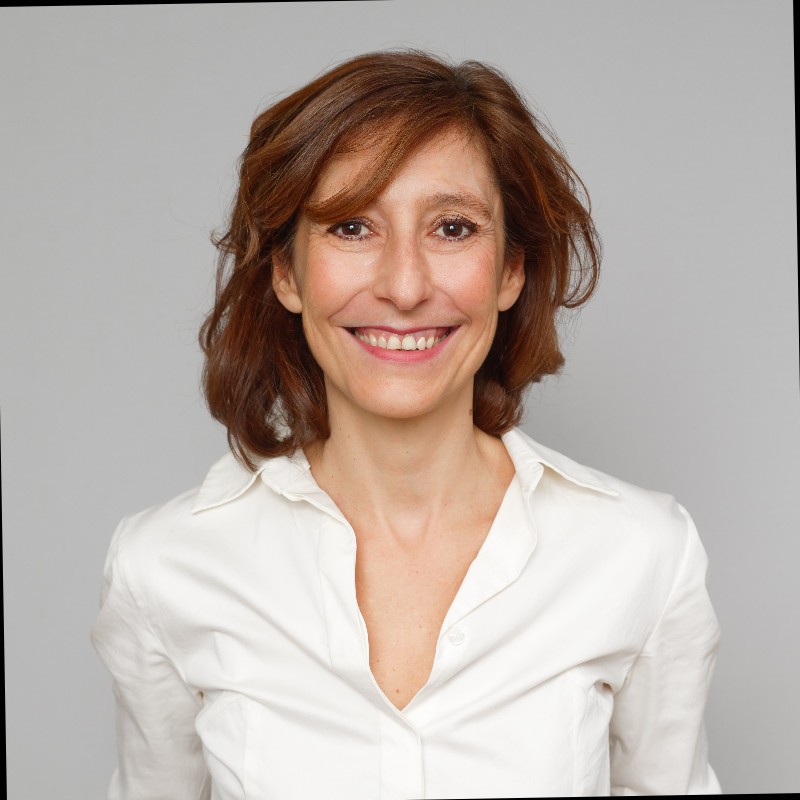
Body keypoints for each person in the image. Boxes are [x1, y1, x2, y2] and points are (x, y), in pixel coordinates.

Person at [91, 50, 721, 798]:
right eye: (352, 227)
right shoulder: (165, 566)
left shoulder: (642, 555)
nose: (404, 286)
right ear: (286, 272)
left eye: (452, 228)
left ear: (511, 270)